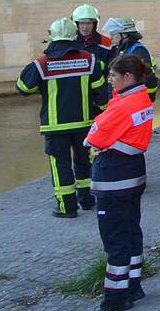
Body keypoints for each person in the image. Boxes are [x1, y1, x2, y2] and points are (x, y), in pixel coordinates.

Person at [83, 54, 154, 311]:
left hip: (114, 177)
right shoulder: (142, 99)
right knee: (131, 230)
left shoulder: (123, 105)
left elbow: (93, 138)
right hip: (133, 174)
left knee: (114, 238)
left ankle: (114, 297)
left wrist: (96, 137)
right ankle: (133, 285)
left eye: (113, 75)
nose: (109, 80)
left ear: (127, 77)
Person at [16, 18, 106, 217]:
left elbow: (23, 88)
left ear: (52, 37)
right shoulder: (89, 60)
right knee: (84, 161)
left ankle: (67, 208)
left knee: (61, 165)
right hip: (84, 123)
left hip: (55, 127)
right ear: (74, 36)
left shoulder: (41, 64)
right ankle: (87, 199)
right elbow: (101, 93)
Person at [102, 17, 159, 101]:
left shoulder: (138, 51)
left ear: (124, 34)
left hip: (133, 101)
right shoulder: (122, 49)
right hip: (122, 100)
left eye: (113, 34)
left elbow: (144, 80)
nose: (110, 37)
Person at [73, 3, 113, 73]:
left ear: (94, 24)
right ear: (76, 24)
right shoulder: (70, 42)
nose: (85, 27)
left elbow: (112, 67)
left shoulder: (106, 42)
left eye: (88, 23)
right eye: (82, 23)